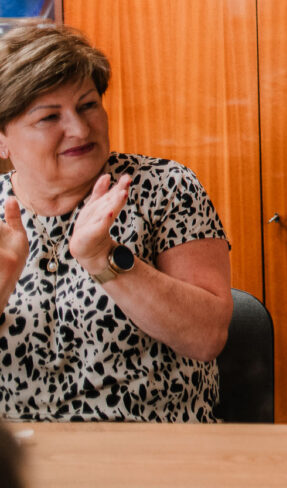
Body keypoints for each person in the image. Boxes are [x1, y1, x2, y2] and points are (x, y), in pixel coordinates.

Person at [0, 22, 232, 421]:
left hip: (152, 445)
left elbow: (206, 337)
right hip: (18, 450)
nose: (79, 128)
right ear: (3, 139)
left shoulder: (165, 187)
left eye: (88, 105)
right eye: (49, 117)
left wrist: (105, 259)